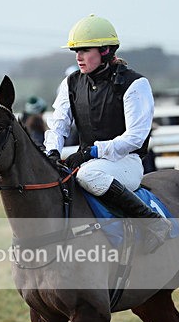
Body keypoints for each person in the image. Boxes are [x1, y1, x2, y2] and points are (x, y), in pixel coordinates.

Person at [44, 14, 171, 253]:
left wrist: (95, 150)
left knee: (87, 175)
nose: (78, 57)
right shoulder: (70, 83)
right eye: (75, 51)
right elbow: (58, 123)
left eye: (84, 50)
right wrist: (52, 151)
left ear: (105, 50)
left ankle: (152, 221)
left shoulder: (135, 84)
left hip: (126, 163)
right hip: (91, 163)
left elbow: (136, 137)